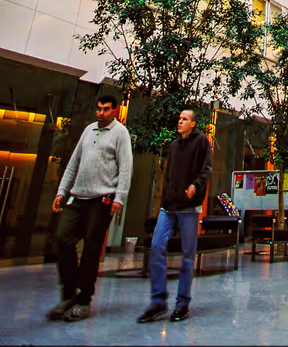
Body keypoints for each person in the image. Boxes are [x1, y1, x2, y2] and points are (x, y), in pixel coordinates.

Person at [47, 94, 132, 323]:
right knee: (63, 240)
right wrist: (61, 191)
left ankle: (84, 300)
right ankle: (69, 293)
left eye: (105, 109)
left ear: (114, 111)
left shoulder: (120, 133)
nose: (100, 113)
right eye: (98, 109)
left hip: (102, 198)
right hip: (78, 197)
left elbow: (125, 167)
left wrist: (119, 198)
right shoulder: (88, 131)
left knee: (92, 248)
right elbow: (74, 162)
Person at [138, 109, 213, 324]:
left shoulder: (201, 142)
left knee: (188, 256)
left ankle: (182, 304)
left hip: (189, 207)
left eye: (184, 119)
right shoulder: (173, 145)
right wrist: (165, 197)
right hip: (169, 206)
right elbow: (169, 174)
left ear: (194, 123)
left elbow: (206, 169)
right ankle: (158, 301)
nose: (179, 121)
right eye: (179, 118)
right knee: (157, 246)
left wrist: (195, 187)